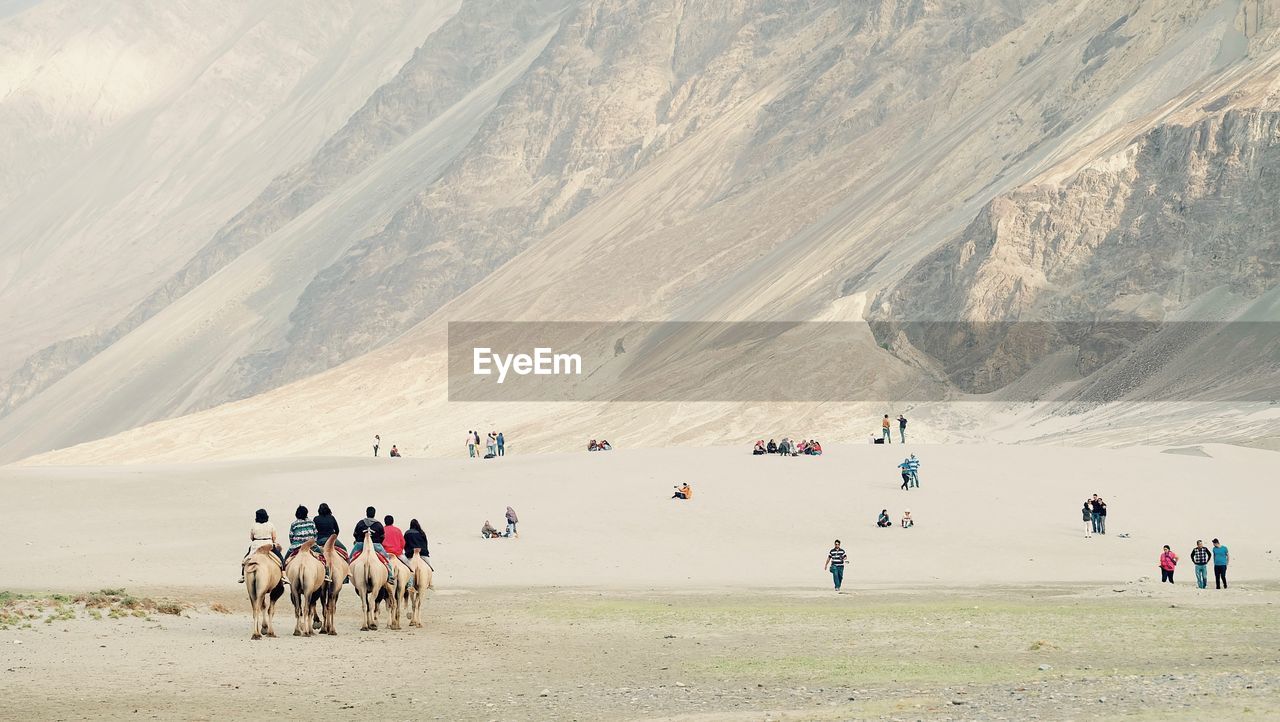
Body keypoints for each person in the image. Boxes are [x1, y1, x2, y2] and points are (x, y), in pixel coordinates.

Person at [241, 508, 283, 583]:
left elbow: (251, 537)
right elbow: (274, 537)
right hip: (268, 544)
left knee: (246, 558)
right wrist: (273, 542)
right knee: (280, 558)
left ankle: (243, 575)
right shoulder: (271, 524)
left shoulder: (254, 525)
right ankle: (283, 574)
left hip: (256, 545)